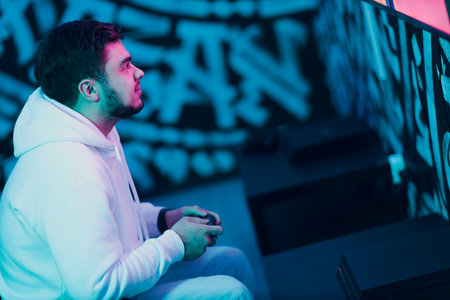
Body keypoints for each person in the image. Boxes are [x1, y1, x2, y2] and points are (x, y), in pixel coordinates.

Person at [0, 20, 255, 300]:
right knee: (231, 293)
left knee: (232, 261)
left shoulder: (91, 127)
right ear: (90, 90)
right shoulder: (70, 174)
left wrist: (163, 220)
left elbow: (111, 218)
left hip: (100, 282)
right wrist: (177, 242)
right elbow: (97, 288)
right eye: (124, 66)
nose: (139, 72)